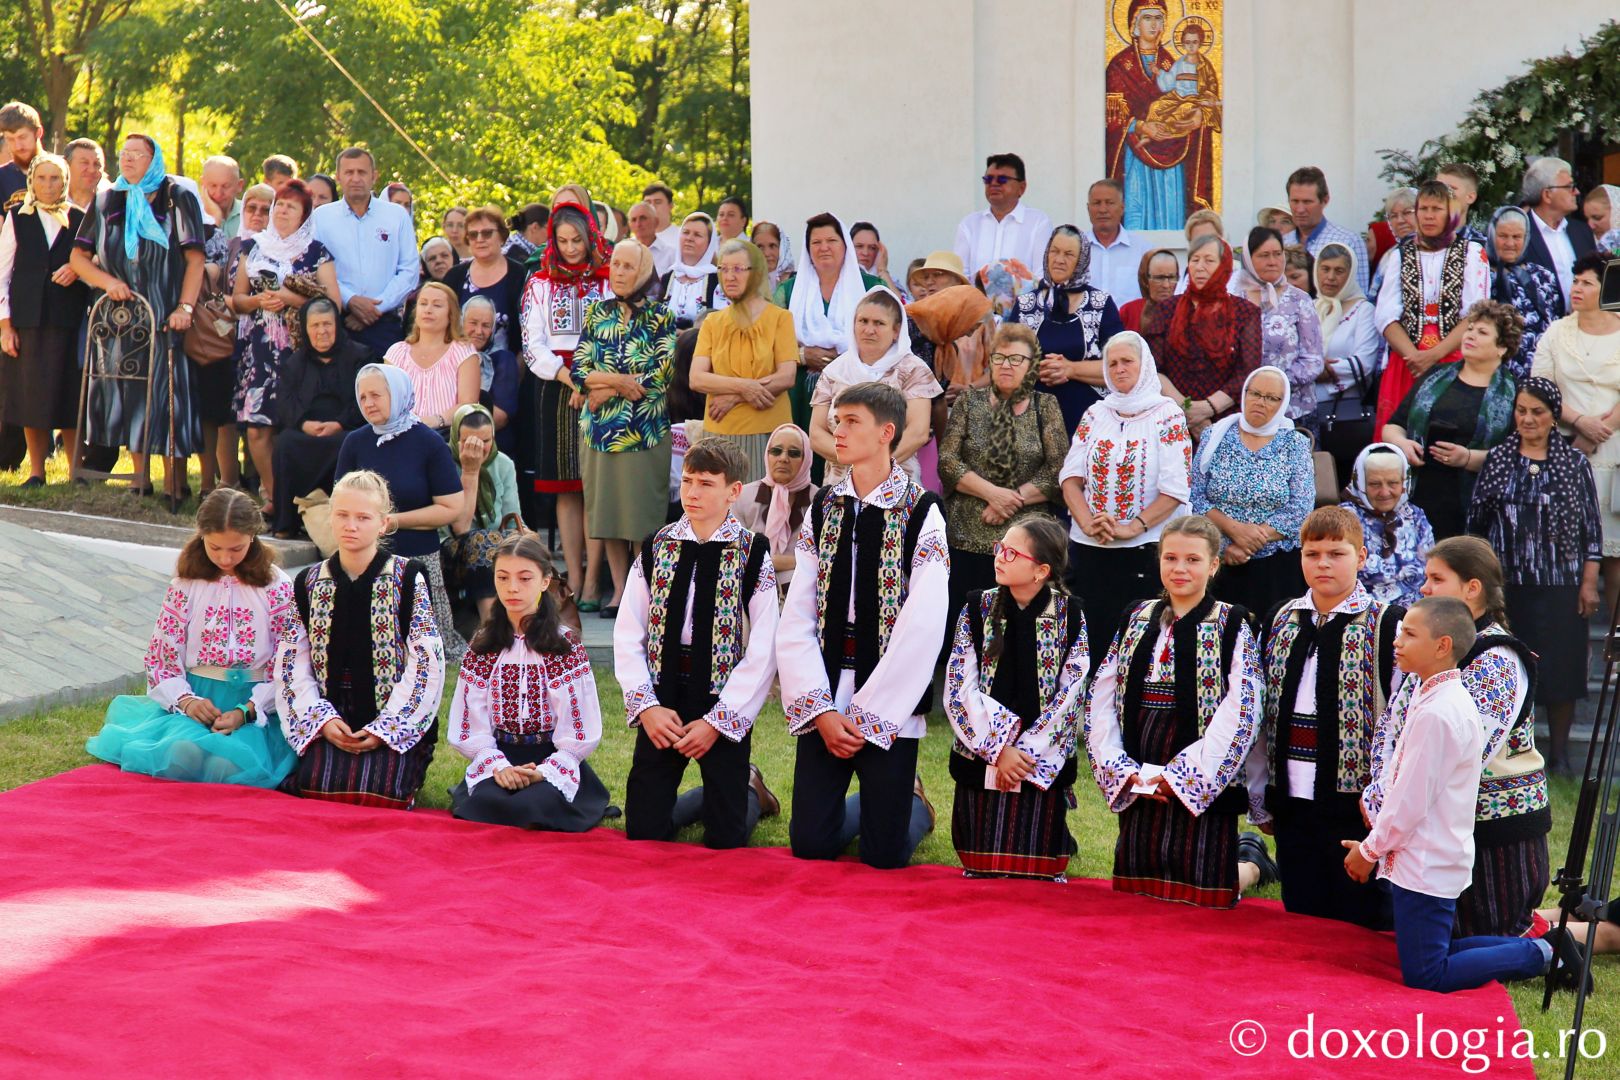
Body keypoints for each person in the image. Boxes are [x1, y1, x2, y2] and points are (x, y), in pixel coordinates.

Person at [1344, 596, 1573, 994]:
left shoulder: (1440, 710)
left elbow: (1409, 800)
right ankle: (1545, 947)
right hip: (1425, 854)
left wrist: (1369, 851)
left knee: (1427, 974)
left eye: (1409, 634)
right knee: (1435, 951)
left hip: (1427, 860)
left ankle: (1541, 955)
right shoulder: (1430, 694)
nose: (1397, 642)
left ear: (1442, 646)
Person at [778, 381, 947, 869]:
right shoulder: (824, 507)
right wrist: (822, 711)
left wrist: (872, 714)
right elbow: (799, 614)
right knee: (810, 844)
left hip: (889, 695)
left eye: (851, 421)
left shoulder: (922, 511)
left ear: (886, 433)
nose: (838, 430)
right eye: (836, 420)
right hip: (827, 685)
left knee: (885, 855)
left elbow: (924, 622)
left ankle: (913, 803)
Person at [1083, 514, 1262, 909]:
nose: (1180, 569)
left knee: (1205, 888)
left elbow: (1242, 707)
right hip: (1141, 753)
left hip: (1201, 754)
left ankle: (1250, 864)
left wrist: (1186, 777)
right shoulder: (1136, 615)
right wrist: (1122, 766)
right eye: (1171, 558)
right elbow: (1103, 691)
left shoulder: (1233, 622)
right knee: (1138, 889)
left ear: (1214, 565)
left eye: (1193, 560)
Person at [616, 439, 782, 848]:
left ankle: (749, 790)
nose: (692, 492)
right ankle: (704, 796)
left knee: (725, 838)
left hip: (721, 696)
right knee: (644, 831)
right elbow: (628, 632)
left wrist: (719, 720)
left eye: (706, 483)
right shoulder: (658, 545)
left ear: (733, 491)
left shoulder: (752, 552)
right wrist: (647, 707)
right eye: (688, 481)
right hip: (664, 697)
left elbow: (763, 646)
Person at [1385, 536, 1549, 938]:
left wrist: (1391, 809)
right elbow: (1392, 725)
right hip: (1434, 822)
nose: (1424, 588)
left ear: (1472, 588)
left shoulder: (1497, 659)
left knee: (1486, 937)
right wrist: (1381, 795)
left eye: (1436, 579)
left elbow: (1461, 754)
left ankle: (1553, 947)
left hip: (1495, 833)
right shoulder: (1433, 646)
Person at [1248, 506, 1403, 928]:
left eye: (1336, 553)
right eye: (1312, 553)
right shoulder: (1281, 618)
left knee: (1358, 916)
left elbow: (1400, 720)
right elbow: (1261, 714)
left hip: (1354, 799)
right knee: (1300, 912)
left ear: (1362, 556)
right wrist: (1261, 793)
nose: (1323, 564)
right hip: (1291, 791)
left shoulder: (1387, 623)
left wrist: (1382, 801)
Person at [85, 488, 299, 787]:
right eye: (215, 547)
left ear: (254, 536)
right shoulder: (186, 585)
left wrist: (248, 710)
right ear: (201, 537)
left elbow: (290, 662)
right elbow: (162, 657)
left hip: (256, 706)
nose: (225, 558)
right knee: (181, 754)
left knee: (228, 765)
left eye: (236, 549)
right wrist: (186, 701)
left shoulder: (276, 586)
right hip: (198, 700)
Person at [274, 469, 445, 809]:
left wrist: (387, 727)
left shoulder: (407, 577)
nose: (351, 525)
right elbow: (293, 662)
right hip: (333, 715)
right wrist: (323, 721)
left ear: (383, 523)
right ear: (330, 518)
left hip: (389, 712)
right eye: (342, 515)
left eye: (363, 517)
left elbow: (426, 660)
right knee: (316, 785)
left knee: (381, 792)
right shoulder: (308, 582)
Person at [1468, 377, 1601, 776]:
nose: (1528, 419)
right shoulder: (1498, 459)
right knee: (1508, 669)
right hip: (1506, 587)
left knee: (1561, 669)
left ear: (1553, 416)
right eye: (1521, 410)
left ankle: (1558, 757)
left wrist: (1589, 582)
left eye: (1537, 412)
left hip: (1561, 583)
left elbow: (1592, 530)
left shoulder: (1574, 463)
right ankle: (1507, 752)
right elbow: (1475, 523)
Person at [946, 517, 1090, 880]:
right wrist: (998, 750)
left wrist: (1025, 753)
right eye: (999, 548)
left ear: (1041, 570)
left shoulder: (1069, 615)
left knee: (1038, 865)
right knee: (982, 862)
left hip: (1037, 756)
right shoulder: (977, 608)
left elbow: (1071, 692)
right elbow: (959, 685)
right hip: (984, 751)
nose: (1000, 557)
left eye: (1011, 553)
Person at [70, 133, 205, 499]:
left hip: (163, 312)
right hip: (117, 318)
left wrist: (185, 308)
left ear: (153, 158)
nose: (127, 160)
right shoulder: (106, 200)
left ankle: (175, 481)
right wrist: (106, 281)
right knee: (128, 394)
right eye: (124, 154)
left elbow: (195, 260)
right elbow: (78, 257)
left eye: (137, 155)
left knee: (166, 394)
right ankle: (140, 477)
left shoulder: (176, 198)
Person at [447, 532, 609, 830]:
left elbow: (578, 726)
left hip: (551, 756)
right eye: (503, 577)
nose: (512, 588)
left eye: (524, 578)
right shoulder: (483, 644)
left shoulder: (564, 645)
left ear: (545, 581)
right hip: (500, 754)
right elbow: (471, 722)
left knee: (534, 803)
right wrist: (497, 765)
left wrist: (545, 771)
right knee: (488, 801)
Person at [1059, 330, 1190, 650]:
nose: (1119, 368)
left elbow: (1176, 487)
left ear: (1144, 365)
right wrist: (1089, 523)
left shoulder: (1167, 413)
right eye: (1112, 362)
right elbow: (1070, 477)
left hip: (1145, 548)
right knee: (1092, 640)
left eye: (1127, 361)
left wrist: (1133, 526)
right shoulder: (1095, 413)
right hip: (1090, 545)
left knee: (1139, 644)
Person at [938, 321, 1067, 622]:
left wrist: (1011, 501)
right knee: (966, 623)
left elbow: (1057, 470)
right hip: (965, 537)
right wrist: (992, 494)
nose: (1006, 365)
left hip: (1027, 544)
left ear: (1032, 364)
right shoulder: (969, 402)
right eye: (998, 357)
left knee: (1016, 627)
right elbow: (947, 461)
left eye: (1016, 359)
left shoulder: (1045, 406)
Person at [337, 364, 466, 661]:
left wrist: (392, 522)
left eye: (376, 395)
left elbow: (451, 507)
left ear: (397, 395)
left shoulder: (428, 442)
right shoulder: (355, 443)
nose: (368, 403)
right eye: (363, 396)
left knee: (423, 648)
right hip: (364, 555)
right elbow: (341, 502)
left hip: (418, 558)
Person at [574, 239, 676, 614]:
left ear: (644, 272)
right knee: (609, 517)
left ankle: (642, 591)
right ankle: (618, 591)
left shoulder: (661, 316)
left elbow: (660, 373)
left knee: (640, 520)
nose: (619, 272)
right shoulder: (596, 313)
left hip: (644, 430)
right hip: (599, 432)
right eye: (615, 264)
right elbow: (579, 370)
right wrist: (614, 384)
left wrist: (603, 386)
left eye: (628, 266)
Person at [518, 203, 611, 608]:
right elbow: (532, 342)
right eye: (563, 241)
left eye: (578, 240)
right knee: (567, 488)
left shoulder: (608, 281)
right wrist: (567, 376)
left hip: (602, 387)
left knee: (595, 485)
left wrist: (588, 378)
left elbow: (612, 333)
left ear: (592, 237)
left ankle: (594, 579)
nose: (571, 248)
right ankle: (572, 576)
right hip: (555, 388)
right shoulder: (539, 283)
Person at [230, 179, 339, 514]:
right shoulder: (254, 246)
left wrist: (291, 298)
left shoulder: (316, 251)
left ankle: (300, 500)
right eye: (280, 205)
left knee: (294, 426)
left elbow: (335, 302)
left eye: (291, 207)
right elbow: (236, 299)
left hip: (299, 351)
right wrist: (256, 301)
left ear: (305, 214)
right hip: (259, 349)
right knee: (257, 428)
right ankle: (275, 497)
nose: (282, 212)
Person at [1383, 299, 1521, 541]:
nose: (1470, 335)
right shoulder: (1435, 376)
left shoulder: (1514, 394)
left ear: (1501, 347)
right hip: (1422, 492)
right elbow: (1393, 426)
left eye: (1482, 332)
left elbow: (1516, 456)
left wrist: (1467, 458)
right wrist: (1403, 445)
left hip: (1479, 503)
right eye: (1469, 329)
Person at [1529, 252, 1620, 616]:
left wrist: (1601, 429)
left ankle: (1617, 650)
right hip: (1568, 449)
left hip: (1615, 452)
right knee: (1568, 552)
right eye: (1576, 281)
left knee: (1616, 558)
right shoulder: (1557, 331)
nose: (1577, 288)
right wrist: (1579, 422)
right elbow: (1539, 388)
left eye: (1587, 282)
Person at [1191, 366, 1313, 615]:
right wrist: (1234, 533)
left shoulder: (1294, 443)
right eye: (1255, 393)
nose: (1260, 402)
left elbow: (1301, 507)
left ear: (1283, 403)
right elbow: (1195, 496)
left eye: (1271, 398)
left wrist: (1249, 543)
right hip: (1219, 559)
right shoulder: (1215, 435)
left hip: (1276, 565)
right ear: (1244, 394)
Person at [1373, 180, 1492, 433]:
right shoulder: (1400, 255)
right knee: (1399, 435)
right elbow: (1385, 314)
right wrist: (1414, 356)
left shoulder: (1471, 253)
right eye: (1423, 208)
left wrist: (1434, 355)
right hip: (1407, 362)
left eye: (1436, 209)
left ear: (1451, 212)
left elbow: (1476, 313)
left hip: (1454, 360)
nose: (1428, 216)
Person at [0, 152, 89, 485]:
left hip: (68, 321)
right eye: (41, 178)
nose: (48, 185)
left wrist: (75, 269)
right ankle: (37, 470)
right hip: (28, 320)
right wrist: (6, 326)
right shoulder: (17, 218)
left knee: (68, 396)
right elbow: (2, 274)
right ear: (31, 180)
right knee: (29, 396)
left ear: (65, 180)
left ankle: (74, 471)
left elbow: (93, 264)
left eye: (54, 178)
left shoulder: (81, 219)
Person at [809, 286, 941, 488]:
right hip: (840, 483)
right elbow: (816, 433)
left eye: (879, 323)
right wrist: (855, 460)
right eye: (863, 321)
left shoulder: (913, 370)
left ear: (896, 331)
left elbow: (918, 431)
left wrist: (877, 466)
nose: (869, 330)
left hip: (895, 482)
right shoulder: (834, 371)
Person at [690, 238, 797, 481]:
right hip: (719, 431)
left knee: (763, 510)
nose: (729, 276)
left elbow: (786, 376)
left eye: (738, 269)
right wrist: (744, 387)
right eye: (723, 269)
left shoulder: (780, 318)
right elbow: (696, 378)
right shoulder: (712, 322)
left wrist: (734, 397)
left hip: (768, 432)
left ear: (756, 273)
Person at [1005, 224, 1124, 434]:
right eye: (1055, 251)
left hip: (1090, 423)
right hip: (1031, 424)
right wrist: (1037, 369)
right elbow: (1005, 362)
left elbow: (1120, 366)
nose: (1059, 259)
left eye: (1069, 254)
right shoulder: (1025, 305)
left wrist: (1070, 369)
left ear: (1082, 260)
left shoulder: (1100, 304)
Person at [1143, 234, 1260, 437]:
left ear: (1224, 265)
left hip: (1227, 421)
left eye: (1209, 260)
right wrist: (1187, 411)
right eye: (1195, 260)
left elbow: (1247, 372)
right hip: (1173, 420)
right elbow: (1153, 368)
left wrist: (1207, 408)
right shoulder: (1167, 310)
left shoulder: (1245, 312)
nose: (1200, 266)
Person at [775, 212, 882, 433]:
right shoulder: (789, 290)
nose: (824, 247)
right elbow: (770, 343)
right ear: (808, 249)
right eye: (816, 242)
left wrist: (847, 358)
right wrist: (803, 355)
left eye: (831, 241)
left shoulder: (871, 287)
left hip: (857, 388)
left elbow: (888, 337)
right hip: (798, 392)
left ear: (845, 246)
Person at [271, 297, 368, 537]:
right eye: (315, 326)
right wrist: (304, 424)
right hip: (307, 430)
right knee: (285, 443)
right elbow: (284, 402)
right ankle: (286, 524)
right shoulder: (295, 363)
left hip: (344, 429)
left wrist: (339, 424)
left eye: (327, 324)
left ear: (337, 325)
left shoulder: (360, 356)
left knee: (350, 441)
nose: (322, 331)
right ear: (305, 328)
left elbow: (365, 399)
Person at [310, 147, 418, 355]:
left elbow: (409, 271)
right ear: (339, 177)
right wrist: (351, 300)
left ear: (374, 176)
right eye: (349, 173)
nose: (355, 178)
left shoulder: (396, 216)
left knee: (384, 386)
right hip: (338, 322)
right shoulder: (321, 218)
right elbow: (315, 269)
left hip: (385, 323)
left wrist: (376, 308)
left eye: (362, 172)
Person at [1230, 227, 1324, 429]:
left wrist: (1273, 387)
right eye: (1264, 255)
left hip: (1294, 411)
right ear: (1248, 259)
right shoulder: (1233, 299)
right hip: (1244, 411)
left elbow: (1313, 359)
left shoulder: (1299, 299)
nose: (1272, 261)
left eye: (1277, 254)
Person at [441, 403, 521, 623]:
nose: (479, 448)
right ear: (456, 439)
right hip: (451, 550)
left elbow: (513, 522)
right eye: (469, 442)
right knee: (481, 540)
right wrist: (470, 471)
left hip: (496, 547)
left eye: (486, 441)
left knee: (516, 548)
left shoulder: (503, 463)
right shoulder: (444, 462)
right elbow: (461, 528)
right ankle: (491, 628)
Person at [1339, 443, 1433, 607]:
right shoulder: (1344, 519)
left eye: (1393, 483)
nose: (1384, 492)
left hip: (1416, 613)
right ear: (1360, 482)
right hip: (1364, 613)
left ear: (1404, 482)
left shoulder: (1415, 515)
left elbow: (1430, 569)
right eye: (1375, 484)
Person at [383, 280, 478, 434]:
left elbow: (468, 404)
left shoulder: (463, 352)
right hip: (403, 434)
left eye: (437, 305)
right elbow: (388, 404)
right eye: (423, 303)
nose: (428, 309)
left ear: (451, 315)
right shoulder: (396, 353)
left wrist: (435, 420)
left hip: (448, 435)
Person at [734, 422, 816, 598]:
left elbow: (823, 559)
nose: (783, 458)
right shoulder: (742, 497)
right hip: (749, 586)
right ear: (767, 455)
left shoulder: (819, 502)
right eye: (776, 451)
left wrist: (767, 561)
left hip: (803, 592)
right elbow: (734, 553)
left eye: (793, 453)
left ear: (806, 459)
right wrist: (794, 562)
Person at [1486, 206, 1563, 382]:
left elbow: (1555, 322)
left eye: (1517, 237)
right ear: (1491, 235)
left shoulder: (1543, 275)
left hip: (1539, 370)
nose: (1510, 243)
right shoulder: (1481, 275)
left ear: (1526, 237)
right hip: (1494, 371)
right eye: (1503, 236)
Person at [953, 153, 1052, 287]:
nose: (993, 184)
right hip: (976, 305)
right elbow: (959, 276)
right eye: (988, 179)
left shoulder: (1038, 222)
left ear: (1021, 188)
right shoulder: (969, 224)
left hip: (1023, 305)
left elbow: (1042, 276)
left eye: (1002, 179)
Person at [441, 205, 526, 355]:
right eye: (473, 235)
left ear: (501, 235)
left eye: (487, 233)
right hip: (458, 363)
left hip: (507, 367)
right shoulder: (454, 276)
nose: (480, 239)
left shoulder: (520, 275)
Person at [1518, 156, 1596, 307]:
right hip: (1539, 328)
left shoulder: (1581, 231)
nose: (1577, 192)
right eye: (1569, 187)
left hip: (1582, 325)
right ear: (1547, 194)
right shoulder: (1519, 233)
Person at [1282, 165, 1371, 293]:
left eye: (1307, 202)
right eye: (1295, 201)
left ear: (1325, 200)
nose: (1300, 209)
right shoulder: (1282, 242)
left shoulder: (1348, 241)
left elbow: (1359, 296)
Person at [460, 295, 520, 453]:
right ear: (461, 323)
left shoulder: (503, 360)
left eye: (486, 325)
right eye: (473, 323)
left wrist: (461, 439)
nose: (479, 331)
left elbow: (500, 417)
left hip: (490, 446)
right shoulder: (449, 357)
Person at [659, 211, 721, 328]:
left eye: (697, 235)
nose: (689, 238)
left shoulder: (717, 280)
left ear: (709, 244)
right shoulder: (667, 278)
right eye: (686, 232)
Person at [1084, 179, 1140, 306]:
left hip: (1127, 325)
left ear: (1122, 208)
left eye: (1109, 203)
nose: (1103, 209)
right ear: (1088, 209)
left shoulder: (1142, 251)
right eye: (1097, 203)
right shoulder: (1076, 251)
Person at [1118, 247, 1177, 333]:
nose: (1166, 285)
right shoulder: (1129, 311)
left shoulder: (1184, 310)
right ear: (1145, 279)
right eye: (1159, 278)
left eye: (1171, 277)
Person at [1367, 186, 1417, 283]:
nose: (1400, 221)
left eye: (1407, 212)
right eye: (1393, 216)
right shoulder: (1390, 256)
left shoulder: (1432, 252)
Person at [849, 221, 906, 299]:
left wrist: (882, 271)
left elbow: (900, 304)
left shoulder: (889, 280)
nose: (865, 253)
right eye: (859, 246)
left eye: (872, 248)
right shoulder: (838, 278)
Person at [1436, 163, 1488, 246]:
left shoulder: (1482, 246)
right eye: (1438, 187)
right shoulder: (1412, 242)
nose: (1442, 193)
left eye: (1451, 189)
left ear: (1470, 197)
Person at [199, 156, 244, 239]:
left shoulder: (248, 213)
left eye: (226, 186)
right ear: (203, 184)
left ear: (239, 185)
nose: (219, 193)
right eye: (213, 186)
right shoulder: (193, 215)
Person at [750, 220, 793, 290]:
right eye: (760, 247)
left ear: (782, 248)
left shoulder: (794, 284)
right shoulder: (746, 284)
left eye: (772, 246)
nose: (767, 253)